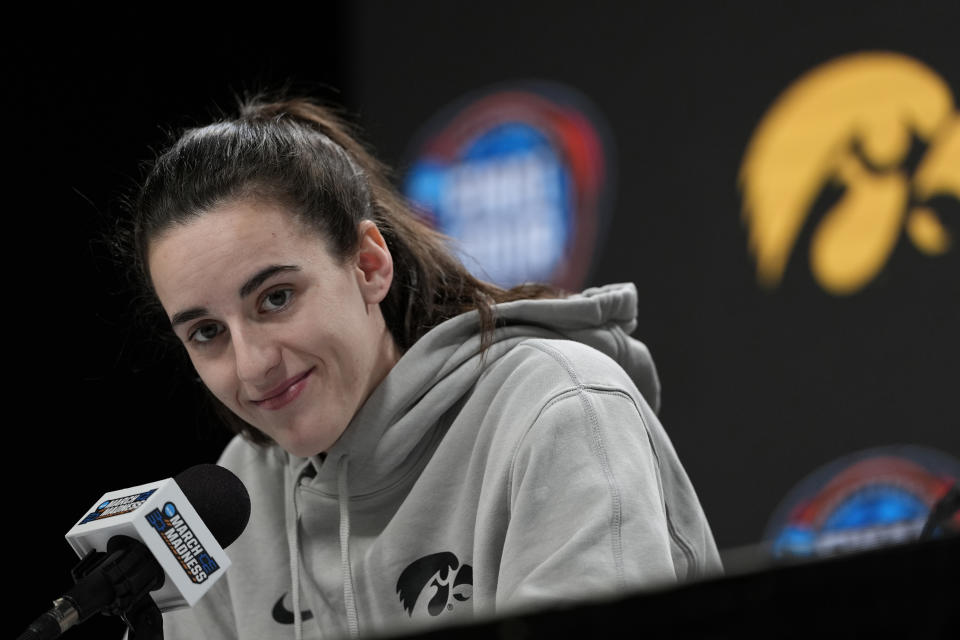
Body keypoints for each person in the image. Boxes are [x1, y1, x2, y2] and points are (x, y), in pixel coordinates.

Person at [122, 95, 721, 640]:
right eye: (207, 333)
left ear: (367, 265)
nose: (252, 366)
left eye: (276, 298)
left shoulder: (557, 410)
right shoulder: (234, 501)